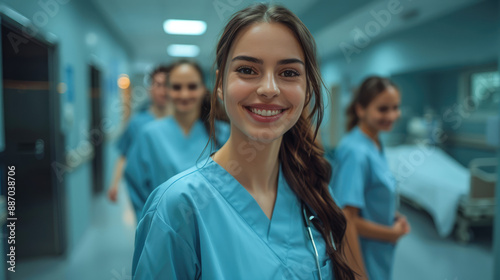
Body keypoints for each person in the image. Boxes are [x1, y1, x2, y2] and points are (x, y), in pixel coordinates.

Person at [132, 4, 356, 280]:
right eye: (248, 70)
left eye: (288, 73)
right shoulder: (177, 208)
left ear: (307, 88)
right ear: (219, 85)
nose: (269, 89)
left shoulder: (314, 189)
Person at [124, 60, 230, 219]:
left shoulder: (223, 133)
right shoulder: (149, 135)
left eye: (192, 87)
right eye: (177, 87)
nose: (184, 94)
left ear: (203, 90)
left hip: (214, 224)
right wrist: (150, 226)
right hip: (165, 226)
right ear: (167, 90)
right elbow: (137, 189)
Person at [331, 76, 411, 280]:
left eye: (396, 107)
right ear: (361, 109)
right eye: (383, 109)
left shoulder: (375, 142)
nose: (392, 115)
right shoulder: (355, 152)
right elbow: (347, 219)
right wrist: (391, 234)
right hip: (362, 255)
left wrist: (392, 216)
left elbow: (371, 194)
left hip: (379, 250)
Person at [107, 65, 170, 202]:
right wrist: (114, 184)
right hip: (146, 193)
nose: (163, 91)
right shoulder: (137, 123)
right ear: (150, 89)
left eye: (167, 85)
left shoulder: (181, 123)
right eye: (158, 85)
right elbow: (124, 155)